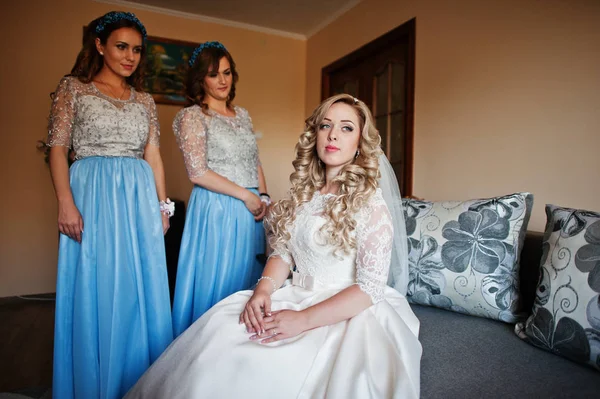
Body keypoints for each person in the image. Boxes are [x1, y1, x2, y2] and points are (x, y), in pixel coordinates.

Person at [125, 94, 422, 399]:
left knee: (268, 368)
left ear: (360, 141)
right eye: (325, 125)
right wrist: (264, 291)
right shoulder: (305, 196)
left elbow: (369, 289)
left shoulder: (371, 205)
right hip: (293, 294)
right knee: (221, 338)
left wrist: (303, 320)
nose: (333, 134)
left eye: (346, 128)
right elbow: (284, 252)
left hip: (347, 310)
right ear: (315, 135)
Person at [47, 11, 173, 399]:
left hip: (138, 197)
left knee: (140, 285)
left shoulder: (145, 100)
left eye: (137, 49)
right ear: (99, 46)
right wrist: (65, 204)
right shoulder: (73, 89)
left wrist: (162, 206)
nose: (130, 56)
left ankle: (140, 384)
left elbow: (154, 155)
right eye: (121, 46)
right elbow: (57, 150)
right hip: (92, 193)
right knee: (96, 281)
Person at [171, 41, 268, 336]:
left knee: (247, 281)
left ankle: (240, 350)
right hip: (217, 208)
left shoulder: (243, 115)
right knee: (219, 282)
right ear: (201, 79)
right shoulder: (192, 116)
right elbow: (197, 172)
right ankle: (206, 347)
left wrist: (264, 197)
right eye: (214, 74)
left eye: (227, 72)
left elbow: (255, 160)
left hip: (252, 210)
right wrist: (247, 195)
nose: (223, 80)